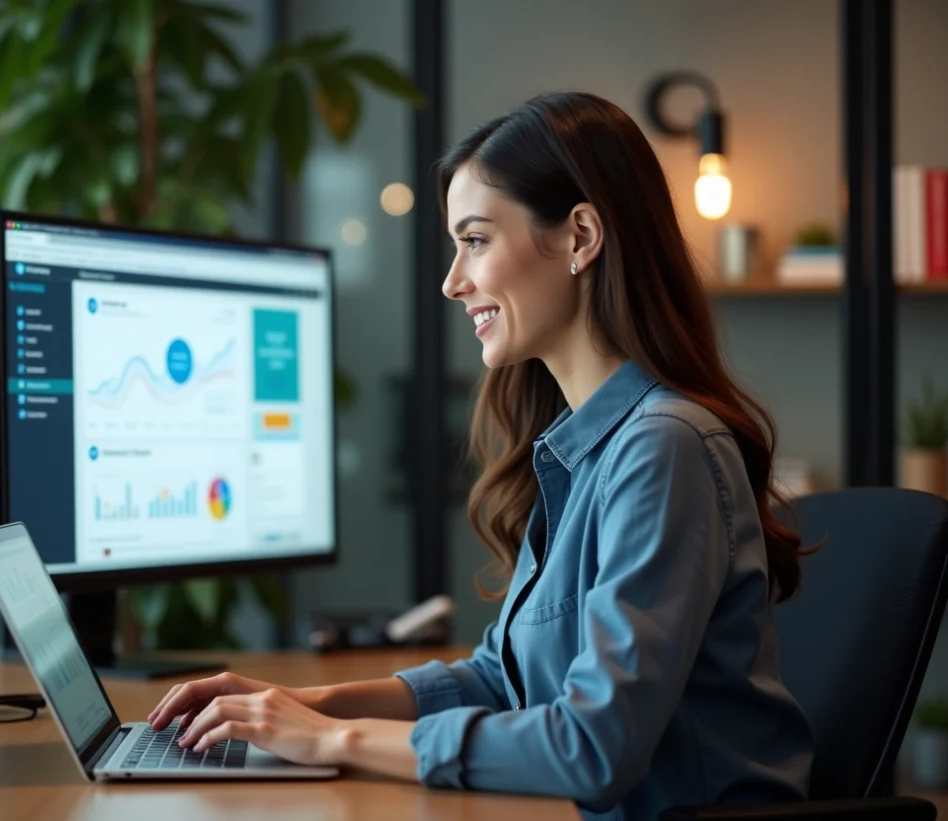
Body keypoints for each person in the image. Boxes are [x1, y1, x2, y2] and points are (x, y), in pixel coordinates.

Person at [147, 92, 815, 819]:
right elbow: (502, 677)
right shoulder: (583, 448)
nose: (452, 281)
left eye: (475, 240)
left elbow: (594, 746)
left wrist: (335, 738)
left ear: (579, 236)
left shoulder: (663, 448)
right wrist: (298, 705)